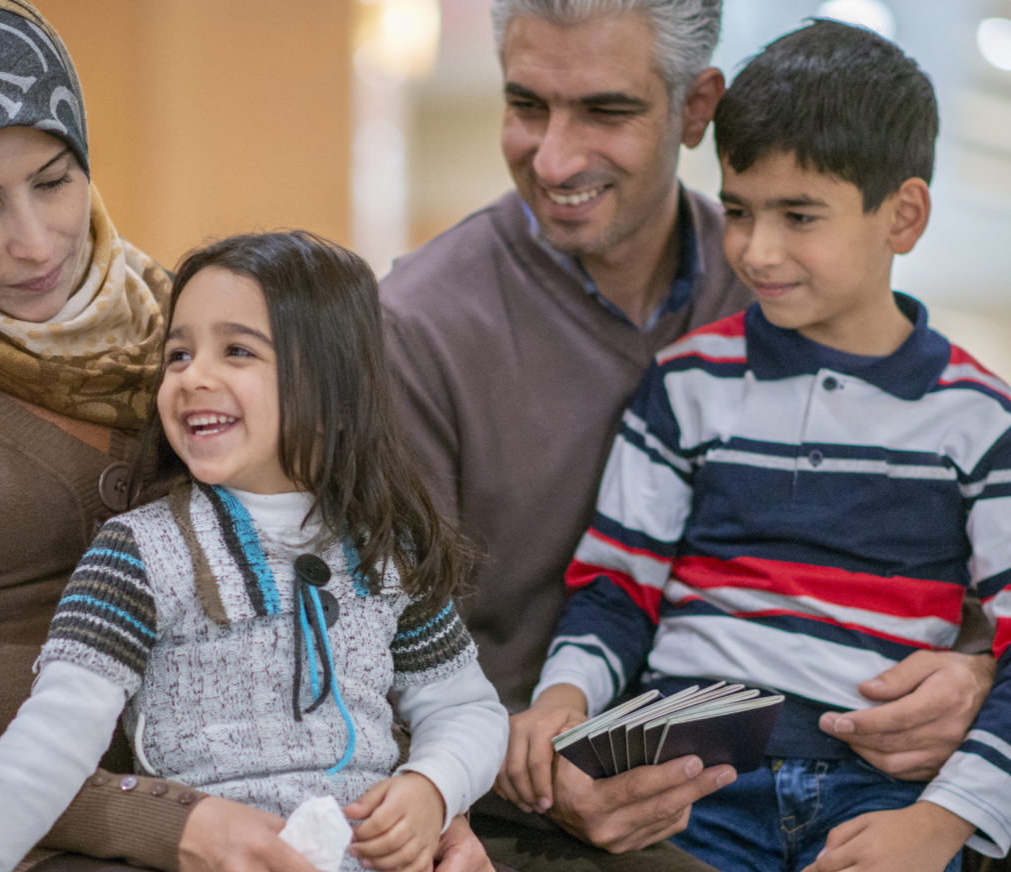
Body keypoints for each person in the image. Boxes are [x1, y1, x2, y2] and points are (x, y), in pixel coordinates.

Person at [0, 4, 496, 872]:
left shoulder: (182, 325)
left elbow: (397, 677)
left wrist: (423, 799)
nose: (38, 242)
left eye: (55, 181)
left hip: (250, 816)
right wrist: (164, 821)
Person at [380, 0, 999, 866]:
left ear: (697, 108)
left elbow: (963, 591)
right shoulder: (413, 329)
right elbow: (367, 659)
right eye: (527, 105)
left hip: (849, 780)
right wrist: (541, 751)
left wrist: (974, 679)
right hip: (535, 793)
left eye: (606, 109)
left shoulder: (802, 304)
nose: (555, 157)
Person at [0, 231, 508, 872]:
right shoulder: (140, 552)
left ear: (337, 395)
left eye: (236, 351)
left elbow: (467, 710)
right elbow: (51, 740)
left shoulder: (385, 550)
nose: (192, 376)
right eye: (178, 354)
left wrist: (433, 787)